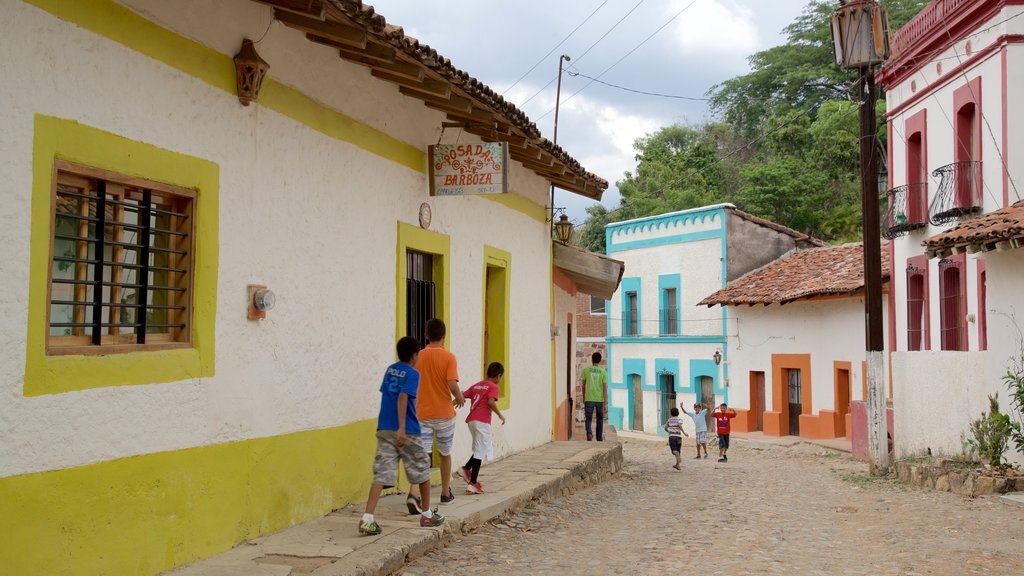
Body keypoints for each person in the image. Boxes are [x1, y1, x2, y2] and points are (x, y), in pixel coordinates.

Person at [359, 337, 444, 535]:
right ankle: (427, 514)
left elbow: (386, 394)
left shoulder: (390, 369)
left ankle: (367, 518)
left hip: (384, 427)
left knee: (381, 473)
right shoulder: (413, 373)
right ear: (415, 355)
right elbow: (403, 397)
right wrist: (402, 429)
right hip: (407, 430)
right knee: (422, 470)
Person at [407, 319, 465, 514]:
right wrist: (459, 396)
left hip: (421, 413)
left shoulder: (418, 357)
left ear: (426, 335)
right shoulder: (449, 357)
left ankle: (414, 493)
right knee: (445, 454)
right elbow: (451, 383)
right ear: (444, 336)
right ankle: (445, 492)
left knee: (422, 455)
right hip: (444, 415)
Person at [454, 362, 506, 494]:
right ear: (499, 376)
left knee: (480, 448)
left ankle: (466, 469)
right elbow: (490, 401)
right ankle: (472, 483)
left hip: (472, 420)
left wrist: (451, 404)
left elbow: (462, 395)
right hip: (482, 421)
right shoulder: (493, 387)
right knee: (481, 450)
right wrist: (500, 414)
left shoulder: (477, 385)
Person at [580, 352, 608, 441]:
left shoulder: (586, 370)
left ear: (592, 359)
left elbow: (583, 385)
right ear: (600, 361)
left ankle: (589, 433)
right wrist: (605, 403)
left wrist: (584, 397)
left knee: (588, 418)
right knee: (600, 419)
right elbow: (604, 388)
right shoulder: (603, 372)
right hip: (599, 399)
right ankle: (599, 438)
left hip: (589, 398)